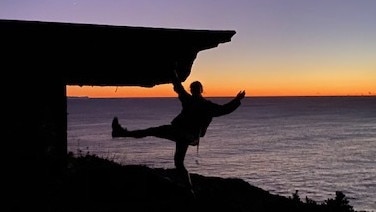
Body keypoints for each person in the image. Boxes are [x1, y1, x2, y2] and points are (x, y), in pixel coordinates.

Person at [112, 70, 246, 189]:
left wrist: (173, 72)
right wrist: (237, 100)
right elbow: (224, 109)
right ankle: (189, 189)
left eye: (194, 88)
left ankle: (121, 132)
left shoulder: (195, 102)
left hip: (183, 134)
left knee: (152, 132)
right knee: (177, 160)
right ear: (200, 89)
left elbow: (178, 87)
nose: (193, 90)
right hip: (186, 135)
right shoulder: (205, 105)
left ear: (195, 90)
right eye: (194, 88)